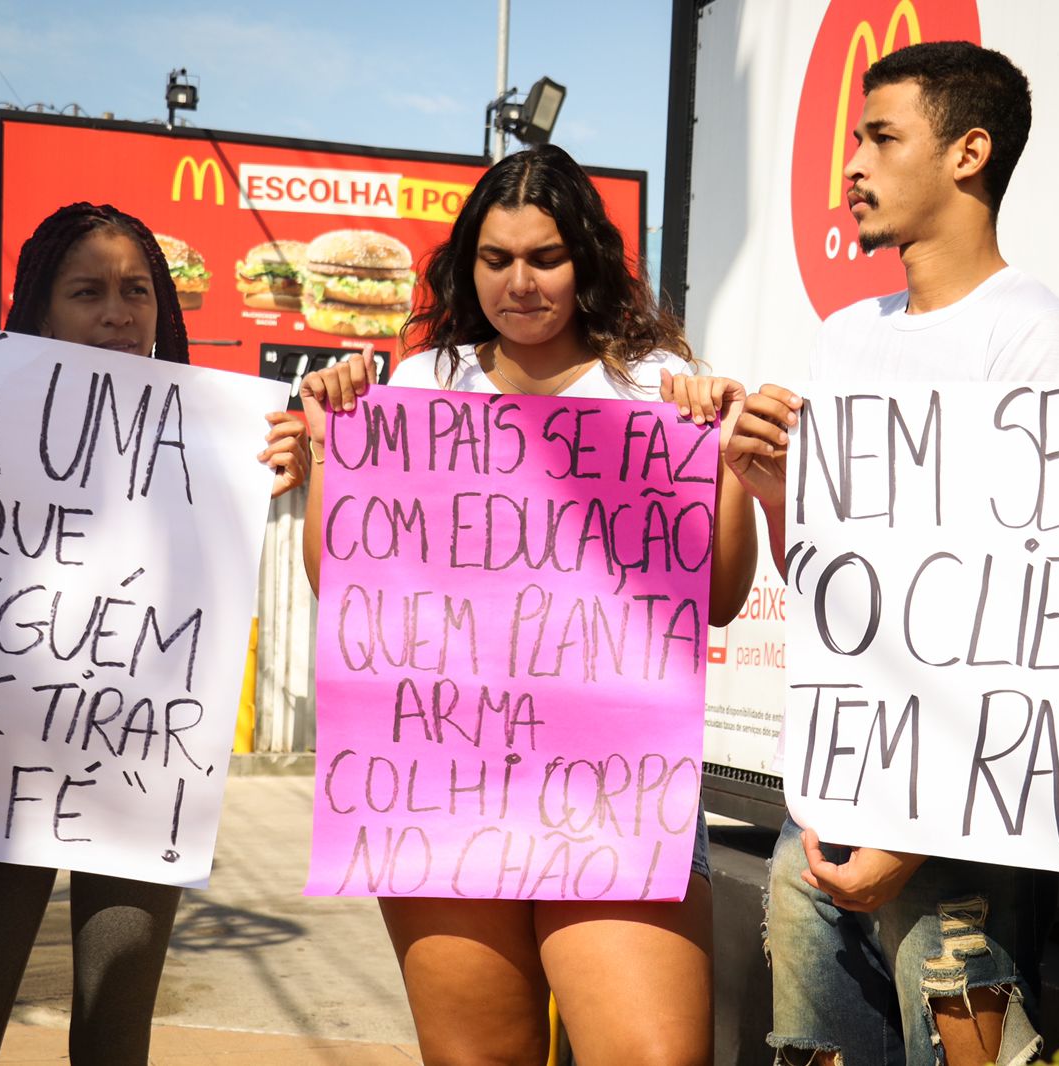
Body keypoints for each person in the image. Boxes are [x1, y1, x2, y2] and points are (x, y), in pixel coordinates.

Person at [298, 143, 757, 1066]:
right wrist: (326, 450)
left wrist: (727, 459)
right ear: (468, 265)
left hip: (616, 798)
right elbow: (342, 585)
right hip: (445, 792)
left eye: (544, 257)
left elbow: (714, 598)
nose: (521, 283)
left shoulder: (655, 384)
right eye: (496, 259)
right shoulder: (426, 386)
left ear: (585, 258)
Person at [0, 201, 307, 1066]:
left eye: (137, 290)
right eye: (87, 290)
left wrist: (295, 467)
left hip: (138, 778)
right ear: (38, 309)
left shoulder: (212, 439)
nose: (117, 313)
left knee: (114, 1039)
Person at [724, 42, 1059, 1066]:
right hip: (829, 806)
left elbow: (1032, 605)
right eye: (854, 136)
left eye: (881, 137)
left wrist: (913, 843)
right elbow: (823, 574)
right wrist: (769, 491)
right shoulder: (846, 335)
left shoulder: (1034, 334)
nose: (851, 163)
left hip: (961, 823)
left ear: (968, 152)